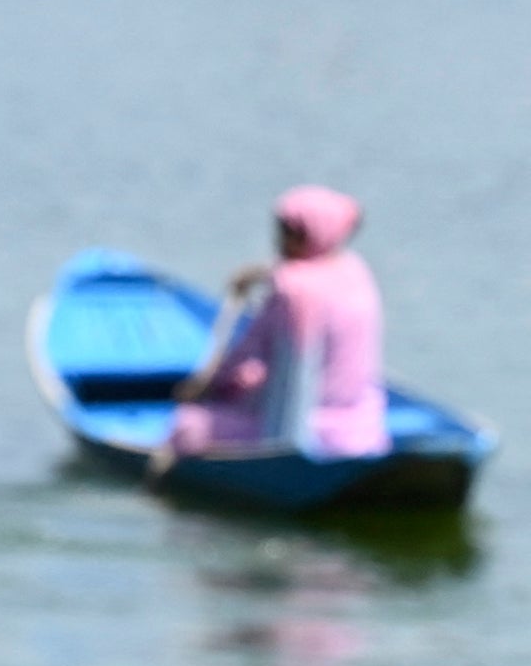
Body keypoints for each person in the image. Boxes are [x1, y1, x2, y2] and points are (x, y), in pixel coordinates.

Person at [161, 184, 389, 465]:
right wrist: (264, 274)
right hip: (362, 431)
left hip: (301, 432)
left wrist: (205, 386)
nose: (279, 242)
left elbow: (247, 351)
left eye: (288, 234)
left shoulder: (291, 291)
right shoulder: (355, 269)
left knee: (187, 425)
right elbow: (313, 276)